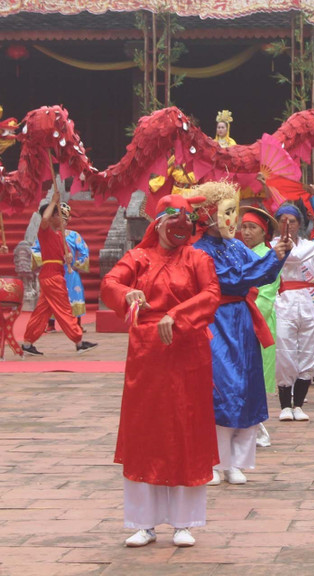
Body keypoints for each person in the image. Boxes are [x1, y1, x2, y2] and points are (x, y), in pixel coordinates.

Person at [101, 194, 220, 548]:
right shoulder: (138, 257)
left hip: (187, 353)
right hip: (147, 354)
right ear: (158, 224)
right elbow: (110, 282)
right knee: (146, 430)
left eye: (185, 223)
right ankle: (143, 521)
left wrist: (178, 316)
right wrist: (128, 294)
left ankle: (184, 522)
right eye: (173, 222)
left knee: (186, 428)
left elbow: (212, 294)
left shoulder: (198, 258)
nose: (179, 230)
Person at [190, 181, 290, 487]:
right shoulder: (198, 251)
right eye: (228, 212)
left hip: (242, 322)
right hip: (216, 321)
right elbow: (233, 279)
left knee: (247, 389)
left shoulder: (235, 247)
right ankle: (214, 461)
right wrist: (271, 258)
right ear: (209, 215)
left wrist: (280, 254)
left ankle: (237, 462)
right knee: (221, 391)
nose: (234, 221)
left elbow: (263, 271)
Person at [273, 190, 314, 419]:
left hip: (310, 303)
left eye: (292, 221)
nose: (288, 225)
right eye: (283, 221)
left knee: (309, 352)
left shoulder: (309, 245)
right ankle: (285, 405)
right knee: (286, 352)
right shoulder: (276, 244)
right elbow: (294, 257)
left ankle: (299, 405)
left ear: (299, 224)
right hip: (285, 303)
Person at [21, 188, 97, 355]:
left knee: (41, 312)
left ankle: (27, 343)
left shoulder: (59, 237)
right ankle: (78, 341)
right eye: (58, 215)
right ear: (53, 216)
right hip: (52, 276)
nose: (60, 219)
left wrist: (68, 258)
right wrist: (54, 201)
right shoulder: (45, 232)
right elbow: (45, 218)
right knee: (64, 308)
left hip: (55, 274)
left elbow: (68, 258)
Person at [238, 205, 281, 448]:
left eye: (252, 227)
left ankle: (257, 426)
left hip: (257, 322)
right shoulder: (237, 253)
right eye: (243, 227)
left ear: (263, 231)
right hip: (237, 321)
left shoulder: (268, 255)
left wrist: (245, 317)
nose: (246, 232)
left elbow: (266, 296)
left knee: (255, 376)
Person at [32, 201, 89, 332]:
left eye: (64, 219)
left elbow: (84, 251)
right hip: (54, 271)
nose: (62, 222)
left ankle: (77, 324)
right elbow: (35, 249)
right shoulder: (47, 235)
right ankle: (51, 324)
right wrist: (46, 261)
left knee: (74, 295)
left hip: (70, 272)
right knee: (51, 298)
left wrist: (76, 264)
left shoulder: (74, 235)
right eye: (59, 218)